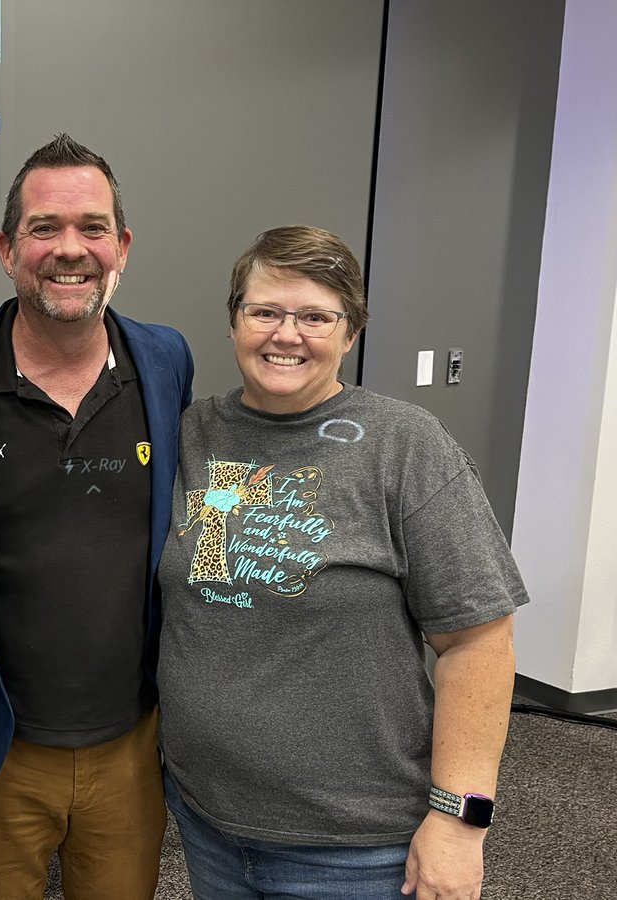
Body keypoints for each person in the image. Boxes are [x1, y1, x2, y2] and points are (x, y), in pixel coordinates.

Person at [157, 225, 527, 900]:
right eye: (265, 311)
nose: (285, 334)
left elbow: (478, 641)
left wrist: (459, 821)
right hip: (207, 822)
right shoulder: (192, 433)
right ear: (234, 320)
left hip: (354, 848)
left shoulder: (404, 444)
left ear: (350, 332)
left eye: (315, 317)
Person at [0, 134, 195, 900]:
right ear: (8, 248)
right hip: (0, 746)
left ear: (122, 247)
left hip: (131, 745)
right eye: (45, 228)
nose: (70, 250)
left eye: (92, 228)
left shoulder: (165, 361)